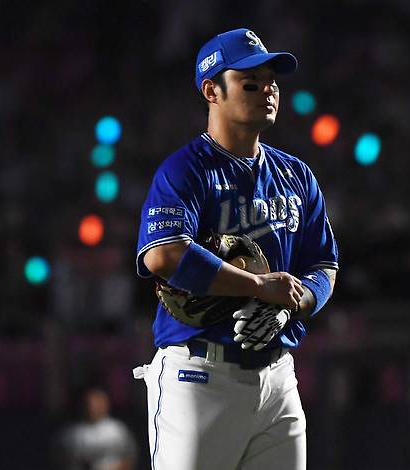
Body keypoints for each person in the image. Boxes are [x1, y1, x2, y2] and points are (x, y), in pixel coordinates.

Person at [133, 28, 339, 470]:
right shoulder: (185, 170)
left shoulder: (297, 175)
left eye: (272, 82)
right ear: (212, 90)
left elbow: (324, 265)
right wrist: (259, 287)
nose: (268, 90)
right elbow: (162, 255)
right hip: (200, 374)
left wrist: (292, 302)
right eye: (250, 81)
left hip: (278, 374)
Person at [54, 387, 137, 470]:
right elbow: (58, 460)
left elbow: (129, 458)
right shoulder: (71, 434)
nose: (94, 407)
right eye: (90, 403)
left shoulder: (117, 430)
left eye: (98, 402)